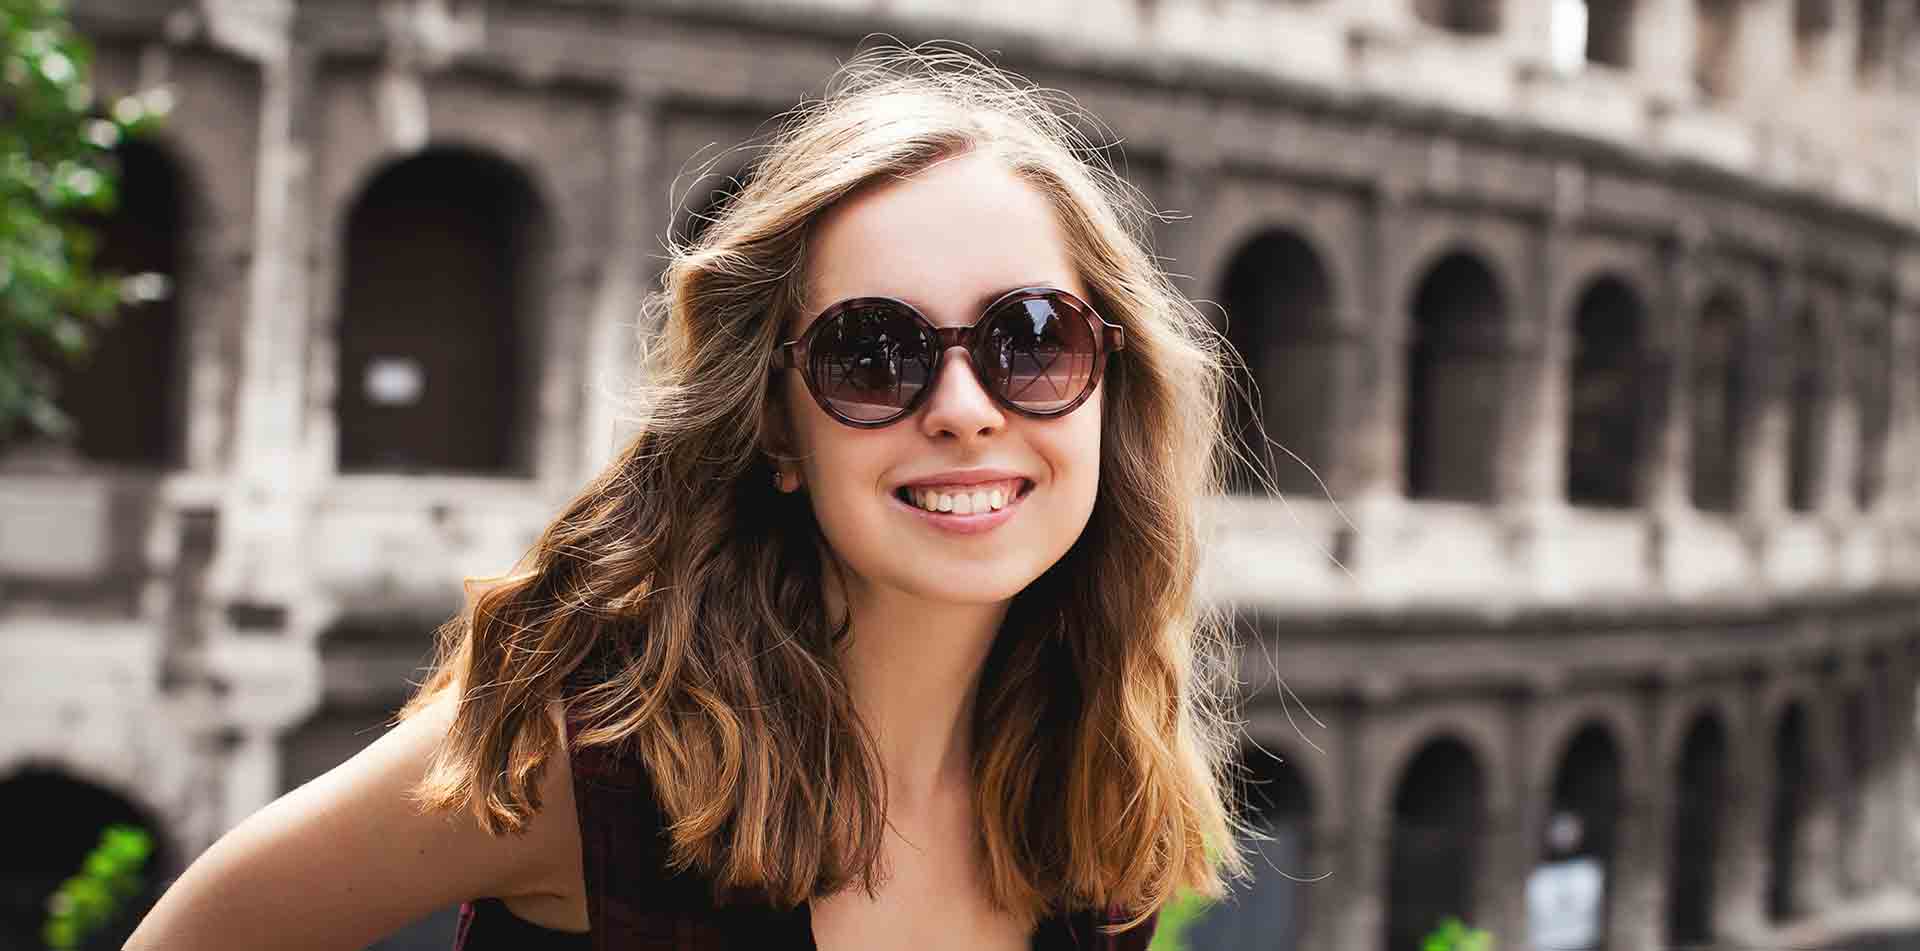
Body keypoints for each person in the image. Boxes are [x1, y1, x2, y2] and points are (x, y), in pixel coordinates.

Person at [126, 43, 1248, 951]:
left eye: (1032, 342)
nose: (963, 407)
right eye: (872, 355)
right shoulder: (593, 759)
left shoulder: (1100, 805)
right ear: (774, 426)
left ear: (1111, 385)